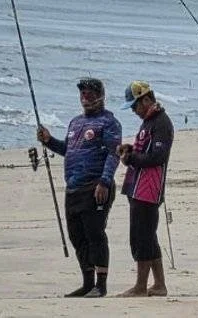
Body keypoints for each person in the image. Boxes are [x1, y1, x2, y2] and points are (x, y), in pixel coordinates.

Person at [36, 78, 121, 298]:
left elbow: (114, 154)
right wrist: (48, 141)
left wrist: (104, 181)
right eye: (83, 94)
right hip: (73, 187)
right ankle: (87, 282)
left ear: (100, 96)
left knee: (95, 234)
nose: (86, 99)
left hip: (95, 186)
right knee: (77, 236)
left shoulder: (109, 122)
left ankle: (101, 285)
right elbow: (68, 150)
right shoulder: (75, 123)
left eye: (90, 94)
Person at [117, 81, 174, 297]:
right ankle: (159, 284)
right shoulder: (149, 121)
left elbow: (157, 157)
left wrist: (131, 158)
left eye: (135, 106)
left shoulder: (161, 123)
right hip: (137, 186)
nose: (134, 111)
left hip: (149, 189)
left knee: (142, 237)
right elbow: (146, 150)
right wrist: (130, 150)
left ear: (147, 100)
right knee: (148, 236)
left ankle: (140, 286)